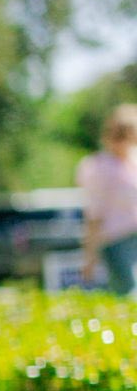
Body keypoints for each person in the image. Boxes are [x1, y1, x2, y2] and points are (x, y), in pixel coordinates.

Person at [79, 104, 137, 295]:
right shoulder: (99, 167)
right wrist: (89, 256)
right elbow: (94, 214)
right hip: (117, 241)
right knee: (130, 294)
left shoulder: (132, 162)